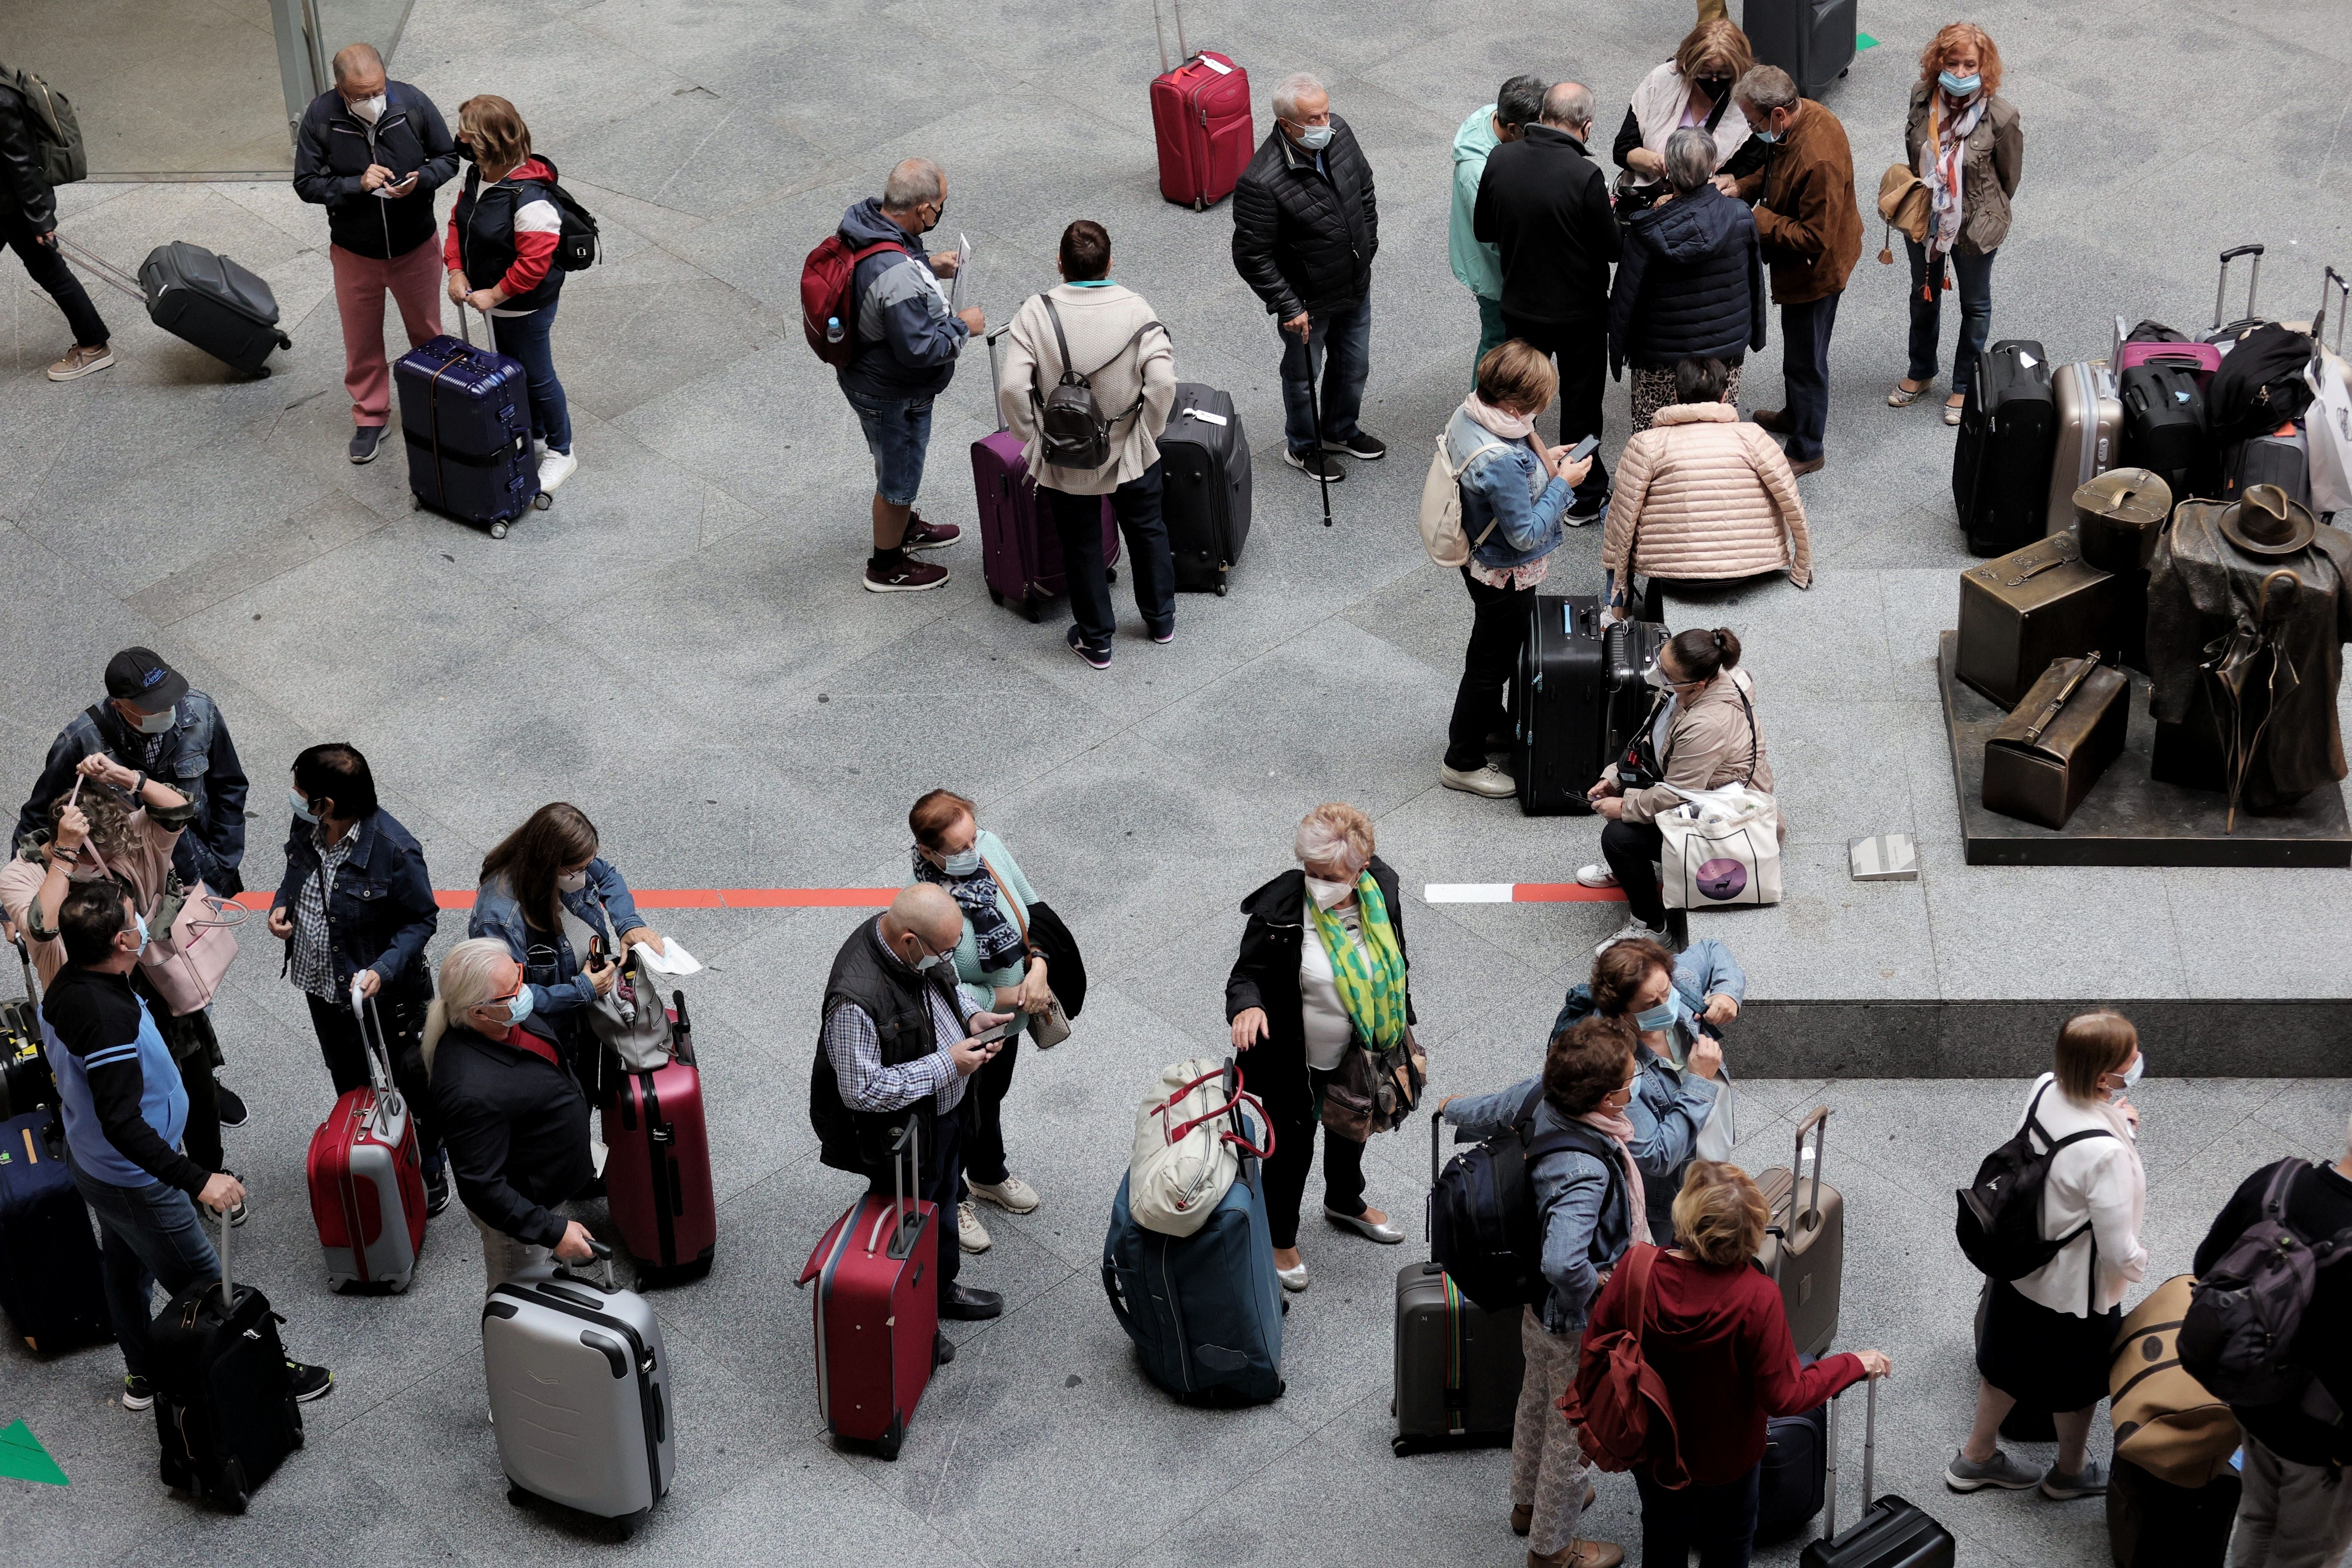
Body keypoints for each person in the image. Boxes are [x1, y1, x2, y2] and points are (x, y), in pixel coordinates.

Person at [40, 879, 332, 1411]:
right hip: (136, 1180)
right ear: (124, 942)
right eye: (135, 919)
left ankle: (143, 1374)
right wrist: (197, 1178)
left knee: (126, 1270)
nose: (143, 923)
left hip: (97, 1168)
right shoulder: (108, 1021)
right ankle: (268, 1368)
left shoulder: (70, 982)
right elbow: (122, 1124)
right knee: (208, 1284)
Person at [1583, 1161, 1890, 1567]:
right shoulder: (1756, 1298)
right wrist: (1850, 1364)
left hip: (1652, 1442)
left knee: (1662, 1530)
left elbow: (1595, 1348)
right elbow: (1784, 1396)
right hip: (1727, 1458)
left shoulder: (1636, 1268)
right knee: (1729, 1542)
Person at [1438, 1017, 1647, 1568]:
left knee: (1537, 1396)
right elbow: (1563, 1259)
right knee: (1574, 1430)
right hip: (1573, 1317)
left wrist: (1450, 1107)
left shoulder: (1538, 1093)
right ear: (1607, 1097)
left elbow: (1482, 1109)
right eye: (1632, 1079)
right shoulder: (1584, 1170)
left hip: (1532, 1300)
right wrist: (1597, 1294)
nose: (1637, 1084)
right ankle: (1553, 1551)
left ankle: (1528, 1505)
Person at [0, 757, 237, 1211]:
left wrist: (127, 777)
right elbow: (42, 927)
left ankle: (209, 1173)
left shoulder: (125, 836)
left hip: (157, 988)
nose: (118, 860)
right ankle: (147, 1189)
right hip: (92, 1010)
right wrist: (67, 856)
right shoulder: (22, 875)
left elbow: (179, 810)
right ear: (78, 848)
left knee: (194, 1085)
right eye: (105, 858)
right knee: (119, 1108)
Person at [1948, 1011, 2149, 1501]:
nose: (2138, 1062)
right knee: (2077, 1387)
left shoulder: (2044, 1089)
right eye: (2131, 1058)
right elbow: (2119, 1248)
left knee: (2004, 1366)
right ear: (2104, 1076)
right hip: (2074, 1293)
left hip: (2019, 1269)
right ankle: (2071, 1472)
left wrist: (2115, 1122)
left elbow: (2058, 1157)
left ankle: (1975, 1458)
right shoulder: (2107, 1155)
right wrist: (2140, 1264)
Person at [812, 883, 1010, 1354]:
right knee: (911, 1226)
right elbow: (863, 1091)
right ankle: (914, 1324)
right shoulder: (854, 1000)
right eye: (943, 950)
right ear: (909, 943)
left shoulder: (912, 947)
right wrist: (950, 1065)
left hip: (944, 1117)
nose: (948, 957)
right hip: (902, 1137)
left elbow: (947, 991)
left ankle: (939, 1292)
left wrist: (973, 1017)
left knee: (941, 1208)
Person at [1225, 803, 1410, 1293]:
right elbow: (1247, 974)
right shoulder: (1283, 909)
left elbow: (1397, 956)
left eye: (1328, 874)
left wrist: (1399, 1019)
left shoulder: (1382, 890)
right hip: (1295, 1058)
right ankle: (1280, 1236)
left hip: (1363, 1050)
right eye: (1310, 870)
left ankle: (1344, 1201)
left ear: (1360, 868)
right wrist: (1249, 1007)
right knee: (1291, 1151)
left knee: (1353, 1128)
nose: (1317, 882)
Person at [267, 744, 447, 1213]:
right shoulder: (309, 823)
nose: (293, 797)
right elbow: (297, 869)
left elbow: (421, 921)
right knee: (349, 1079)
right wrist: (282, 903)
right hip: (324, 986)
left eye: (301, 791)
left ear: (326, 803)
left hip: (387, 996)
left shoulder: (395, 849)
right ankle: (371, 1157)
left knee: (410, 1082)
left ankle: (428, 1166)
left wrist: (382, 970)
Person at [997, 220, 1178, 668]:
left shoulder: (1036, 314)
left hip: (1066, 453)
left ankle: (1096, 640)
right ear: (1110, 261)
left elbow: (1013, 389)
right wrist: (1145, 434)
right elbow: (1162, 383)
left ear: (1060, 264)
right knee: (1148, 529)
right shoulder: (1136, 309)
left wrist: (1032, 437)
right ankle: (1160, 621)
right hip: (1128, 449)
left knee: (1081, 544)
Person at [1438, 339, 1596, 798]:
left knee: (1490, 651)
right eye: (1538, 401)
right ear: (1512, 402)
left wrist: (1548, 466)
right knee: (1491, 667)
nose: (1543, 408)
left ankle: (1490, 725)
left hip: (1480, 560)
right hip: (1505, 573)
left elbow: (1512, 481)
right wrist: (1564, 484)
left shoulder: (1471, 413)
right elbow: (1524, 534)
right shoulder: (1500, 457)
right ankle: (1462, 760)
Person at [2194, 1120, 2352, 1567]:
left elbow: (2208, 1264)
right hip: (2321, 1443)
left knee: (2258, 1517)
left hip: (2250, 1395)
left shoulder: (2278, 1180)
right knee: (2309, 1552)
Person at [291, 43, 457, 463]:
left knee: (428, 333)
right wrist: (356, 185)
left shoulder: (412, 103)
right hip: (355, 252)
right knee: (361, 339)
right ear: (340, 88)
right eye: (360, 95)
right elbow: (307, 183)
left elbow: (449, 157)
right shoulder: (320, 117)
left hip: (415, 245)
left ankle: (437, 407)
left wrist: (420, 181)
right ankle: (371, 416)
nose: (372, 101)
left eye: (377, 90)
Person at [906, 789, 1052, 1256]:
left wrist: (1040, 969)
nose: (975, 852)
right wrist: (1002, 996)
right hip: (965, 1028)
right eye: (960, 848)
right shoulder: (926, 903)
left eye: (974, 838)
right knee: (955, 1116)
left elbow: (1035, 914)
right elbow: (934, 982)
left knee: (990, 1099)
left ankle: (988, 1174)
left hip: (1011, 1022)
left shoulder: (990, 847)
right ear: (930, 852)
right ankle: (956, 1200)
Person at [833, 158, 983, 592]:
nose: (940, 213)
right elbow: (921, 349)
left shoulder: (870, 223)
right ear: (921, 211)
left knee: (891, 463)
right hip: (892, 393)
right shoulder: (896, 273)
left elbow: (879, 280)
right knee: (898, 480)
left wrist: (929, 267)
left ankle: (902, 527)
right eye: (940, 206)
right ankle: (886, 566)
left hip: (866, 375)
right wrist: (963, 326)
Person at [1475, 82, 1619, 522]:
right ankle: (1584, 496)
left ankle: (1520, 483)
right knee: (1581, 405)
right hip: (1581, 315)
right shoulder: (1585, 176)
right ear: (1587, 126)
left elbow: (1484, 228)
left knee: (1520, 402)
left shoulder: (1500, 159)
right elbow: (1612, 246)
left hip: (1521, 305)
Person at [1232, 73, 1385, 484]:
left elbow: (1364, 189)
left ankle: (1339, 430)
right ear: (1286, 124)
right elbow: (1251, 255)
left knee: (1354, 366)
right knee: (1303, 378)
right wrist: (1288, 304)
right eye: (1312, 120)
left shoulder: (1341, 133)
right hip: (1307, 303)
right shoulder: (1260, 182)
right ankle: (1302, 447)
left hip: (1354, 282)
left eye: (1325, 113)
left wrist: (1367, 245)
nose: (1324, 125)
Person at [1583, 627, 1776, 951]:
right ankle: (1631, 871)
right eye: (1659, 662)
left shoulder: (1707, 725)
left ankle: (1652, 928)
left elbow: (1677, 794)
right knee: (1628, 796)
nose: (1656, 675)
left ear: (1698, 683)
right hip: (1698, 789)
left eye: (1666, 674)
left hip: (1728, 824)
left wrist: (1625, 807)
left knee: (1619, 839)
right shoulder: (1686, 689)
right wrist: (1617, 776)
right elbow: (1654, 738)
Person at [422, 937, 599, 1288]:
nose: (523, 992)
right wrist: (552, 1231)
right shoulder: (469, 1091)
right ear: (478, 1012)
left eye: (518, 976)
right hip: (523, 1221)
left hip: (546, 1183)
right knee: (521, 1300)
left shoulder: (503, 1018)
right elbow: (481, 1188)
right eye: (511, 991)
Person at [469, 802, 666, 1103]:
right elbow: (508, 1000)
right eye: (579, 870)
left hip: (586, 1019)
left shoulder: (561, 869)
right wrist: (584, 990)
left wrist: (627, 924)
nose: (586, 877)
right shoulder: (499, 918)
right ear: (550, 865)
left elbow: (609, 876)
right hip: (553, 1038)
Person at [18, 647, 250, 898]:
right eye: (152, 706)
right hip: (126, 888)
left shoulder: (201, 712)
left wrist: (224, 861)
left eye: (168, 697)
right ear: (118, 706)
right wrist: (15, 904)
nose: (167, 709)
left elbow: (229, 786)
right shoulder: (80, 741)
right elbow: (39, 818)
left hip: (197, 875)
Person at [1600, 357, 1810, 618]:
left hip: (1675, 575)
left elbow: (1624, 519)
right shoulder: (1754, 437)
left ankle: (1618, 611)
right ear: (1724, 396)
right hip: (1748, 569)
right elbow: (1790, 498)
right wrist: (1802, 564)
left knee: (1612, 510)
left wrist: (1620, 587)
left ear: (1675, 395)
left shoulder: (1646, 443)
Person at [1555, 938, 1733, 1243]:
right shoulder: (1617, 1067)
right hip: (1671, 1196)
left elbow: (1711, 950)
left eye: (1667, 991)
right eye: (1651, 1005)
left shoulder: (1671, 985)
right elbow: (1656, 1156)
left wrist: (1728, 992)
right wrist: (1699, 1080)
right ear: (1621, 1013)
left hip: (1709, 1153)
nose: (1667, 1006)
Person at [444, 95, 578, 497]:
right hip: (491, 303)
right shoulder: (478, 175)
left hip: (524, 309)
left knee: (537, 378)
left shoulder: (531, 200)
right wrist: (455, 269)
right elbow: (458, 222)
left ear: (484, 140)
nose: (459, 136)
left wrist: (496, 295)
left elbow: (533, 266)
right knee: (513, 371)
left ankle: (561, 449)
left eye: (466, 129)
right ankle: (534, 434)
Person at [1731, 65, 1861, 477]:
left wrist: (1757, 218)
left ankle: (1808, 448)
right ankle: (1794, 415)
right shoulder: (1799, 120)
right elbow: (1774, 171)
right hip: (1803, 265)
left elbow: (1814, 237)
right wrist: (1742, 185)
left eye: (1754, 122)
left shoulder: (1818, 157)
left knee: (1807, 359)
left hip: (1816, 272)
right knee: (1798, 351)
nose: (1753, 130)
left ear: (1779, 115)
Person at [1891, 24, 2023, 426]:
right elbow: (1915, 151)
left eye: (1971, 64)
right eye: (1953, 63)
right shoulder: (1921, 97)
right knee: (1924, 294)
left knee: (1975, 305)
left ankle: (1965, 383)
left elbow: (2009, 177)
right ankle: (1922, 370)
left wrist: (1967, 200)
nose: (1962, 72)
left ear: (1985, 68)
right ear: (1938, 64)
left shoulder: (2001, 116)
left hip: (1976, 223)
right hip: (1925, 217)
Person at [1607, 130, 1767, 430]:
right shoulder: (1740, 215)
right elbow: (1753, 281)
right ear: (1712, 167)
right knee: (1716, 431)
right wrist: (1754, 335)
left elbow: (1625, 299)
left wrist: (1618, 354)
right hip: (1724, 351)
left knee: (1655, 436)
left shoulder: (1646, 230)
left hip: (1660, 355)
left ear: (1668, 169)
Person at [0, 65, 110, 380]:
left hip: (16, 208)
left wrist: (40, 220)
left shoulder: (2, 100)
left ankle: (94, 347)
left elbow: (22, 165)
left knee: (52, 273)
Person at [1611, 21, 1767, 218]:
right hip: (1646, 201)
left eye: (1724, 73)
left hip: (1705, 213)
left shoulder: (1750, 103)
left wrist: (1723, 181)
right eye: (1705, 71)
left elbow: (1750, 170)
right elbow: (1623, 149)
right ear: (1689, 63)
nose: (1714, 80)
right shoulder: (1661, 81)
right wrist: (1657, 163)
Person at [1452, 76, 1549, 380]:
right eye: (1535, 132)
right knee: (1497, 342)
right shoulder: (1477, 173)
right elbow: (1497, 236)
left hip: (1504, 263)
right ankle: (1479, 415)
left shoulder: (1495, 114)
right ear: (1512, 129)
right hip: (1495, 271)